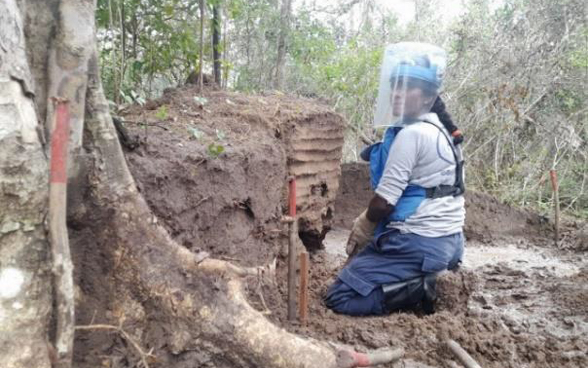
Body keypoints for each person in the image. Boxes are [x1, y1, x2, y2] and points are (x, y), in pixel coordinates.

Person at [325, 42, 466, 316]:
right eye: (396, 86)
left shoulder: (413, 134)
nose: (399, 94)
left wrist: (365, 225)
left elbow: (385, 204)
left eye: (409, 86)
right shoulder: (447, 133)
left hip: (418, 242)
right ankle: (428, 275)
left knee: (340, 297)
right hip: (450, 242)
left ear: (428, 97)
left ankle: (426, 287)